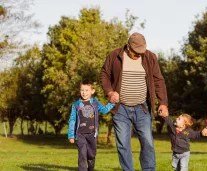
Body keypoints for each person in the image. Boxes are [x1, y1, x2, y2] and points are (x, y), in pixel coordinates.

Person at [100, 32, 168, 171]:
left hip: (142, 108)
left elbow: (158, 80)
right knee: (123, 144)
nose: (138, 55)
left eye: (141, 52)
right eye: (136, 53)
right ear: (128, 47)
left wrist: (163, 103)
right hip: (120, 109)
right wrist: (110, 92)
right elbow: (104, 75)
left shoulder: (149, 57)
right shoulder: (115, 56)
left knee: (148, 142)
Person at [68, 79, 115, 171]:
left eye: (87, 90)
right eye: (82, 90)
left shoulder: (95, 103)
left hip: (92, 134)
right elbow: (72, 120)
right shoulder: (76, 105)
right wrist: (71, 135)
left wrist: (112, 104)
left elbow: (104, 110)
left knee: (91, 154)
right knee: (82, 154)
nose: (84, 93)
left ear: (92, 91)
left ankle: (90, 168)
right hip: (80, 134)